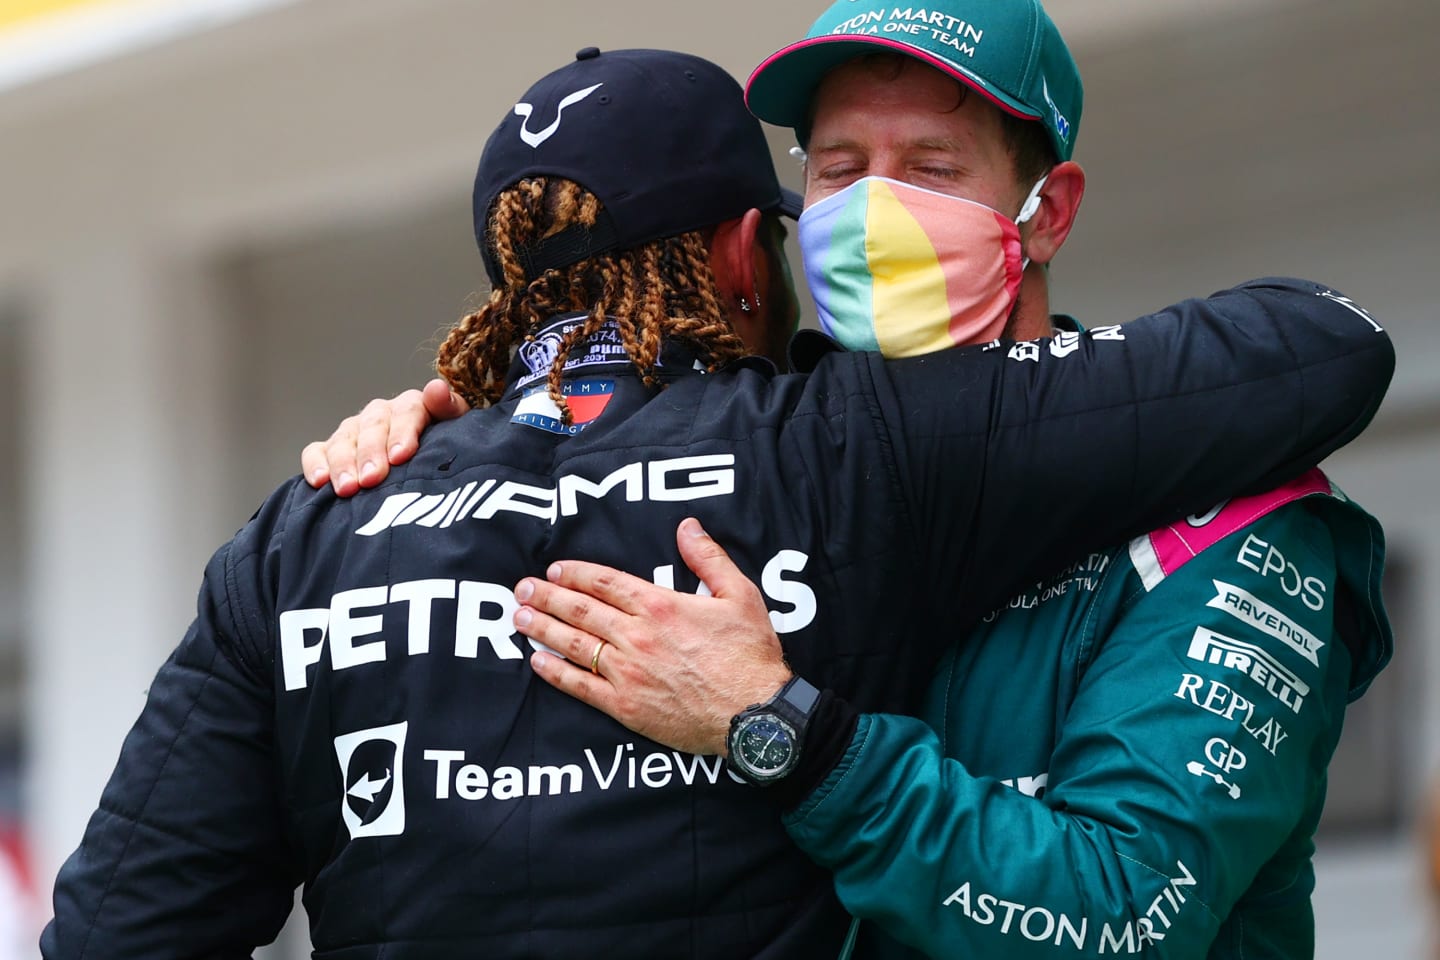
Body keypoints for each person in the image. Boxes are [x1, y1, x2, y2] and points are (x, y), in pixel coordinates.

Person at [46, 45, 1392, 960]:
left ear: (510, 287)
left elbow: (119, 936)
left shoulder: (302, 534)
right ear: (755, 251)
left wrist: (452, 440)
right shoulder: (853, 444)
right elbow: (1320, 350)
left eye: (921, 168)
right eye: (837, 176)